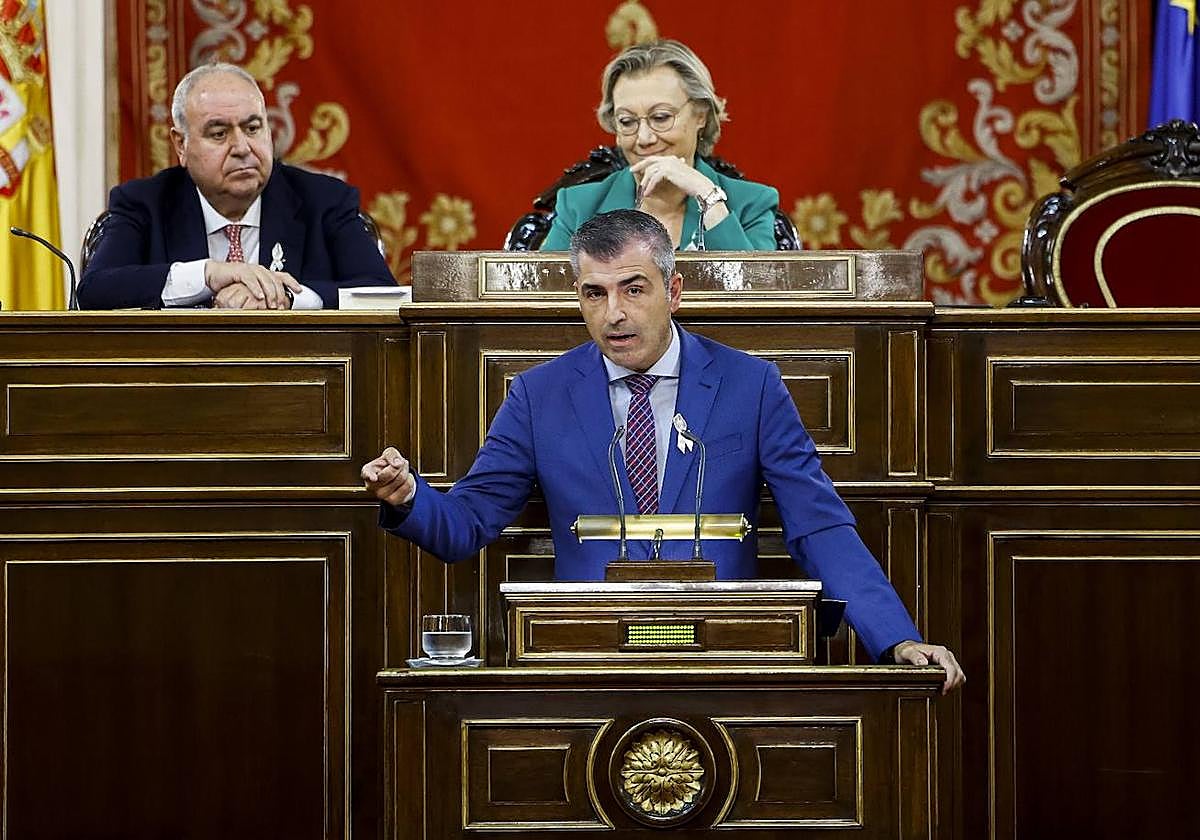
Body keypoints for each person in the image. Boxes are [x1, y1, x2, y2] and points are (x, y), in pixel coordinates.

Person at [364, 209, 964, 694]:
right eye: (593, 294)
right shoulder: (538, 394)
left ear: (673, 290)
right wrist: (410, 498)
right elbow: (466, 524)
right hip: (587, 662)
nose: (614, 313)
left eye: (633, 288)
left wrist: (896, 639)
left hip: (726, 657)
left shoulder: (750, 386)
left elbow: (820, 527)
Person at [77, 62, 394, 310]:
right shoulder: (144, 203)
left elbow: (382, 294)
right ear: (181, 145)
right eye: (219, 133)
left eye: (252, 128)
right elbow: (96, 291)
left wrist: (289, 297)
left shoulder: (324, 201)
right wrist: (209, 275)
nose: (242, 147)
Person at [538, 40, 780, 252]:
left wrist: (708, 198)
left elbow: (753, 295)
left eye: (661, 117)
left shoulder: (752, 202)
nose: (644, 138)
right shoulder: (578, 206)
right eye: (627, 121)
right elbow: (546, 296)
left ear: (701, 115)